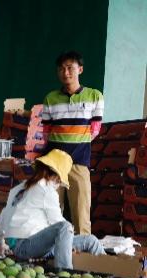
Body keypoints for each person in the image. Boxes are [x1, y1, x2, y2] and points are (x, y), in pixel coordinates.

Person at [0, 149, 105, 269]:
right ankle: (64, 273)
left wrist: (1, 244)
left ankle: (107, 272)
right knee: (66, 227)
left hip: (19, 246)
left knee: (91, 240)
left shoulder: (18, 188)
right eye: (59, 181)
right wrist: (67, 238)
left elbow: (0, 222)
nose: (58, 185)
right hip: (27, 247)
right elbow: (60, 225)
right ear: (56, 176)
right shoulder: (46, 190)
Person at [41, 50, 104, 235]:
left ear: (80, 69)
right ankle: (49, 252)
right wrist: (58, 155)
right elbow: (46, 132)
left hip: (79, 162)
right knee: (51, 212)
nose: (65, 72)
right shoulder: (50, 98)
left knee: (81, 213)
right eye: (61, 69)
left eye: (70, 68)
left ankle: (82, 254)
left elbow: (95, 130)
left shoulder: (94, 96)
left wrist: (73, 147)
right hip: (54, 165)